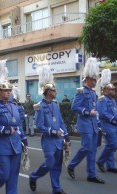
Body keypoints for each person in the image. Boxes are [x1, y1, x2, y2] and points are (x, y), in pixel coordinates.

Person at [0, 59, 28, 194]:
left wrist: (23, 138)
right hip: (1, 147)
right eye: (5, 90)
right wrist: (6, 129)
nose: (8, 93)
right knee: (4, 174)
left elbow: (18, 124)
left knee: (13, 177)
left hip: (15, 146)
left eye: (9, 90)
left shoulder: (14, 106)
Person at [29, 65, 70, 194]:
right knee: (50, 163)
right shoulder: (39, 106)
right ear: (48, 92)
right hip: (48, 140)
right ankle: (34, 176)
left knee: (57, 165)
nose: (56, 92)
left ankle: (56, 189)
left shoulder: (55, 104)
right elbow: (40, 126)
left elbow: (61, 122)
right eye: (54, 90)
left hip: (59, 140)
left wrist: (67, 136)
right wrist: (53, 132)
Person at [67, 58, 105, 184]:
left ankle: (91, 175)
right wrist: (88, 112)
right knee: (87, 147)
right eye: (94, 79)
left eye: (96, 79)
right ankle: (71, 165)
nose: (95, 82)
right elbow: (74, 107)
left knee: (93, 150)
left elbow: (95, 111)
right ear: (88, 79)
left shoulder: (93, 93)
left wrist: (98, 124)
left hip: (93, 125)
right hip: (84, 124)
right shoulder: (81, 91)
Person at [96, 69, 117, 174]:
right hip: (107, 125)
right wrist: (113, 120)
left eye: (114, 90)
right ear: (105, 90)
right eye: (112, 90)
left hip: (115, 125)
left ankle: (110, 166)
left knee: (111, 145)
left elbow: (115, 112)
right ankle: (101, 161)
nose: (114, 92)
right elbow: (103, 113)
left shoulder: (112, 100)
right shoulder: (102, 99)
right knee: (112, 144)